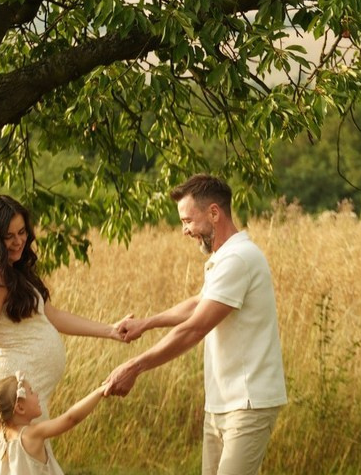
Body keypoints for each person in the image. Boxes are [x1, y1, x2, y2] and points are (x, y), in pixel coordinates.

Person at [104, 174, 287, 475]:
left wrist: (134, 367)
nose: (184, 231)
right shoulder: (225, 257)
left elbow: (195, 328)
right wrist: (148, 323)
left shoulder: (238, 259)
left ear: (214, 213)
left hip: (248, 401)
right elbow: (199, 303)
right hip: (221, 402)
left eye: (187, 220)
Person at [0, 194, 129, 475]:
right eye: (8, 236)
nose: (18, 241)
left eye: (22, 232)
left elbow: (51, 316)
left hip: (19, 407)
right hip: (7, 407)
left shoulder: (11, 273)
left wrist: (110, 331)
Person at [0, 369, 110, 475]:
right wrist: (100, 391)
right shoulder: (31, 434)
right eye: (31, 391)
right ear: (20, 408)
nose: (37, 394)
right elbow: (70, 418)